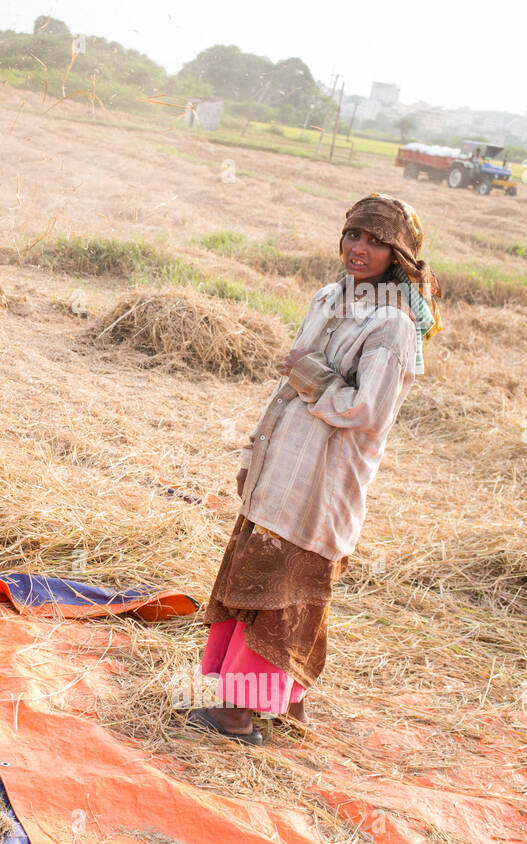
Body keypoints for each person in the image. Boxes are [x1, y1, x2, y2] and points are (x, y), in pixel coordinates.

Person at [187, 194, 442, 745]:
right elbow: (287, 385)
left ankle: (236, 715)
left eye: (377, 242)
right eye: (354, 235)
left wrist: (310, 376)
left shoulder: (394, 326)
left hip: (325, 479)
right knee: (270, 582)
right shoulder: (329, 297)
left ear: (398, 256)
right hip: (283, 464)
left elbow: (366, 410)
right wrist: (256, 457)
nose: (360, 249)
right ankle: (289, 705)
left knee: (288, 588)